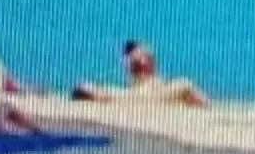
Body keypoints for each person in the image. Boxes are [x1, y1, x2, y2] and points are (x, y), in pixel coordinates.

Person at [72, 38, 210, 107]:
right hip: (147, 95)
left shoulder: (134, 67)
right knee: (185, 85)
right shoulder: (138, 60)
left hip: (147, 94)